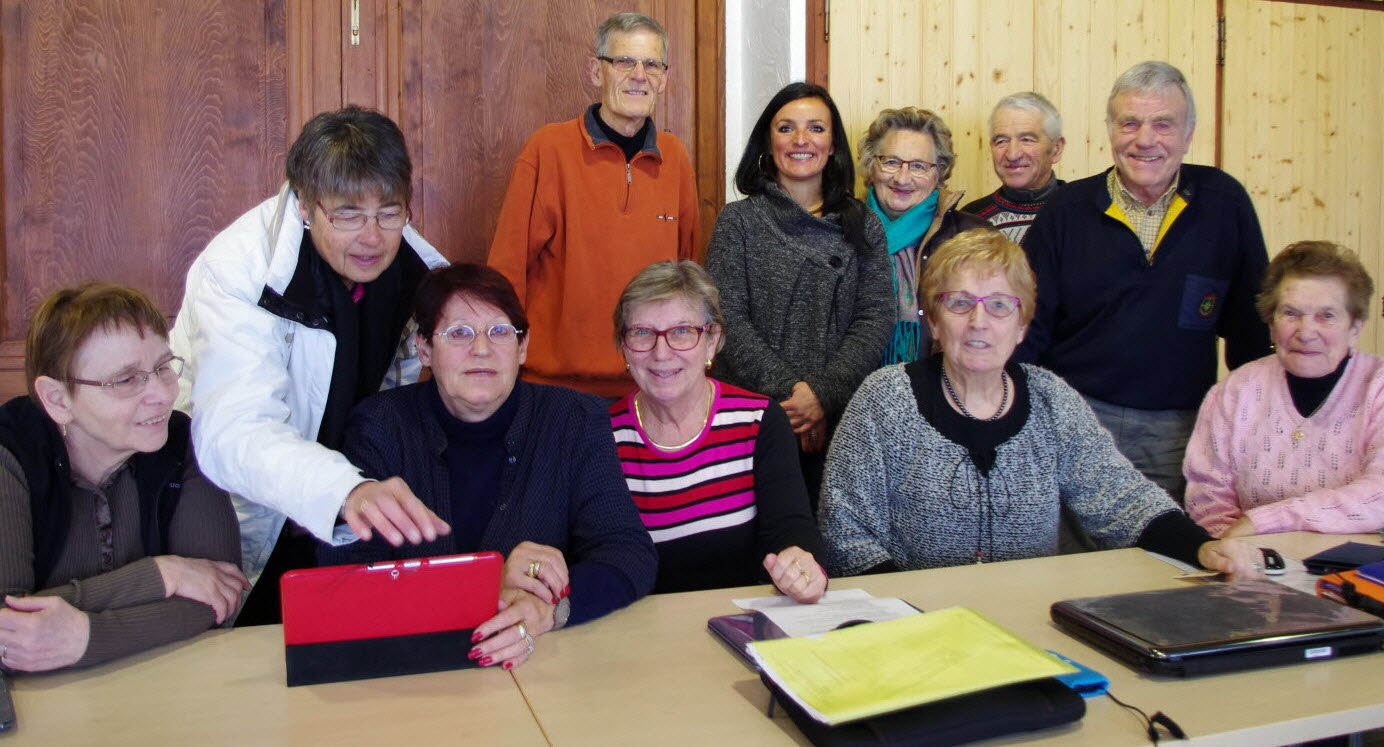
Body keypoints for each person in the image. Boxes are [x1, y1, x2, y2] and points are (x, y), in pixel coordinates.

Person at [819, 230, 1263, 577]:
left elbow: (1120, 497)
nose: (979, 322)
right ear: (933, 321)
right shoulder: (885, 399)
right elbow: (846, 532)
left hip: (1028, 622)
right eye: (959, 303)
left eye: (998, 306)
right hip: (914, 631)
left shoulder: (1051, 398)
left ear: (1022, 325)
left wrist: (1201, 546)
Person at [170, 106, 450, 625]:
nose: (372, 236)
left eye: (390, 211)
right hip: (239, 505)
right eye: (347, 213)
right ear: (304, 203)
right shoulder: (239, 272)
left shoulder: (422, 272)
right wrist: (342, 488)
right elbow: (233, 432)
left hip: (352, 512)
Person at [321, 264, 656, 669]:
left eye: (500, 332)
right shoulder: (380, 427)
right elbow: (346, 578)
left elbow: (628, 550)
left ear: (523, 346)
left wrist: (546, 610)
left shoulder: (573, 418)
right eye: (459, 333)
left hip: (541, 668)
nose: (482, 349)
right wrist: (486, 584)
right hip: (414, 669)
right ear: (424, 348)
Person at [1018, 61, 1271, 502]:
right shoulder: (1066, 210)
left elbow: (1251, 330)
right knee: (1070, 563)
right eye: (1129, 123)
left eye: (1163, 124)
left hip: (1180, 431)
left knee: (1163, 562)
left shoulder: (1224, 203)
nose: (1145, 139)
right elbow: (1028, 325)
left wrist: (1251, 430)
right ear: (1110, 130)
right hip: (1076, 422)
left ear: (1189, 133)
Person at [0, 284, 247, 671]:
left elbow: (219, 598)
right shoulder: (9, 455)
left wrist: (86, 637)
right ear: (57, 399)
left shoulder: (184, 444)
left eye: (164, 368)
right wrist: (162, 576)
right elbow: (8, 631)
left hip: (164, 689)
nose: (164, 395)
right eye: (127, 380)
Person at [488, 12, 698, 398]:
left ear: (664, 78)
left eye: (651, 64)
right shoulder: (548, 149)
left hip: (650, 384)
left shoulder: (676, 158)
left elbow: (687, 272)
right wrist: (500, 365)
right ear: (595, 71)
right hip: (554, 389)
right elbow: (507, 269)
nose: (639, 74)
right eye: (623, 61)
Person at [704, 82, 892, 503]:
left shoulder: (865, 224)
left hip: (841, 417)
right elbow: (726, 317)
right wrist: (795, 396)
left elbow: (875, 318)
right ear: (768, 143)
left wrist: (822, 396)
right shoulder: (737, 223)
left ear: (833, 144)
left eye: (816, 128)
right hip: (751, 417)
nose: (802, 140)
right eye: (786, 128)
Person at [609, 261, 825, 600]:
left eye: (682, 332)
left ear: (712, 341)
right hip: (639, 632)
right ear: (623, 347)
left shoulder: (759, 420)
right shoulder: (600, 437)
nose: (661, 353)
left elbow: (791, 530)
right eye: (642, 333)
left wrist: (802, 566)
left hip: (742, 623)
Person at [1186, 241, 1384, 538]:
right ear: (1271, 322)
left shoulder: (1377, 387)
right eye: (1290, 313)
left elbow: (1378, 495)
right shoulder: (1236, 390)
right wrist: (1234, 554)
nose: (1305, 333)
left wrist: (1264, 522)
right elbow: (1208, 497)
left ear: (1355, 326)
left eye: (1326, 316)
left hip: (1357, 569)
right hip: (1253, 566)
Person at [857, 107, 990, 364]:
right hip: (849, 392)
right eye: (891, 162)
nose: (902, 178)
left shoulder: (971, 238)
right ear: (871, 165)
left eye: (919, 166)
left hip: (941, 389)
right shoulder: (840, 230)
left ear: (939, 173)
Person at [962, 92, 1066, 243]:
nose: (1012, 154)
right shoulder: (970, 221)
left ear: (1056, 148)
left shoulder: (1082, 214)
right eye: (1001, 141)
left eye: (1027, 140)